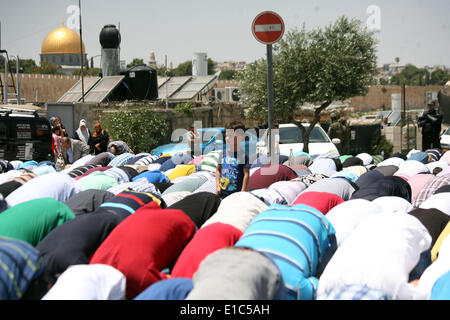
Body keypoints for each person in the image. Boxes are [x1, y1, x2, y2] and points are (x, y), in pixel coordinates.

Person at [216, 121, 251, 198]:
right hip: (222, 193)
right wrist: (218, 186)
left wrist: (243, 191)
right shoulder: (222, 153)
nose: (227, 138)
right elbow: (218, 170)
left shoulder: (243, 155)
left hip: (236, 194)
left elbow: (246, 175)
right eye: (227, 135)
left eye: (231, 136)